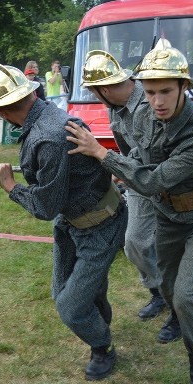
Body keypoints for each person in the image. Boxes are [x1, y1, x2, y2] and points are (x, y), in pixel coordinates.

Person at [65, 41, 193, 384]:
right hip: (168, 215)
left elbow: (155, 179)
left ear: (184, 88)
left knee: (189, 293)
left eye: (165, 91)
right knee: (173, 288)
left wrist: (101, 153)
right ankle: (174, 311)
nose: (156, 101)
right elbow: (138, 157)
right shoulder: (140, 114)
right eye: (151, 91)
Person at [0, 63, 127, 382]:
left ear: (3, 110)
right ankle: (100, 329)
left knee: (71, 306)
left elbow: (45, 206)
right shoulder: (46, 117)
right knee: (72, 290)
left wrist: (11, 186)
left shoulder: (48, 137)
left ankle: (102, 347)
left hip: (100, 226)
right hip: (74, 225)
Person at [79, 50, 171, 336]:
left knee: (173, 251)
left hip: (169, 184)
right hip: (138, 182)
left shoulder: (151, 103)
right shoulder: (114, 106)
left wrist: (105, 157)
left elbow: (155, 157)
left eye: (95, 93)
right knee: (135, 243)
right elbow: (127, 149)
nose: (96, 98)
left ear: (104, 89)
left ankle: (180, 309)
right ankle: (159, 292)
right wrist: (120, 169)